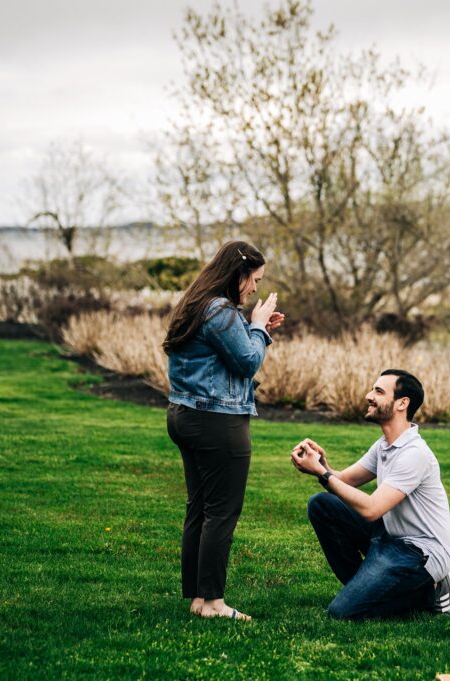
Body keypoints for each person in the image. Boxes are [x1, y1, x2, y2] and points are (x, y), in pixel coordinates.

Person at [162, 240, 284, 620]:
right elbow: (247, 362)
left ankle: (200, 599)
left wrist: (255, 328)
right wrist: (259, 329)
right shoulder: (220, 310)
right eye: (254, 280)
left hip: (185, 415)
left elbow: (230, 355)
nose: (254, 290)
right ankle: (213, 603)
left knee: (199, 508)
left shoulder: (196, 303)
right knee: (221, 512)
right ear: (239, 274)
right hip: (217, 420)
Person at [291, 369, 450, 621]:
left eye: (378, 391)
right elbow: (345, 479)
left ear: (403, 403)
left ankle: (430, 591)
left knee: (342, 613)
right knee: (322, 505)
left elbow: (371, 509)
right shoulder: (384, 445)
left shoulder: (414, 453)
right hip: (390, 537)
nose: (369, 395)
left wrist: (323, 475)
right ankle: (367, 588)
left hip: (419, 553)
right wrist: (321, 465)